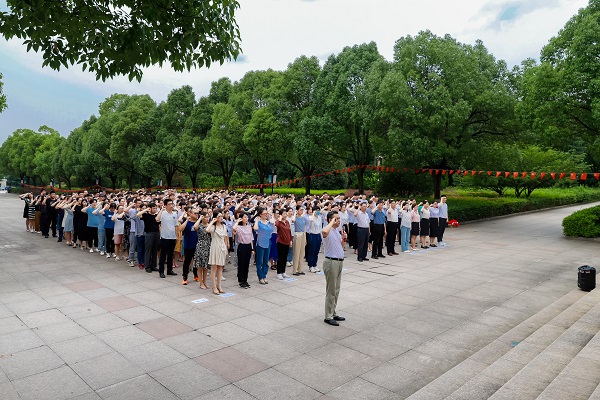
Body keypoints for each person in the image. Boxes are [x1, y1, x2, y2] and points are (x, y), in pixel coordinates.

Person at [321, 210, 346, 326]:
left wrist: (344, 238)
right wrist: (331, 222)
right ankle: (328, 316)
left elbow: (340, 246)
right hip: (331, 262)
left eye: (339, 218)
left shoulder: (336, 231)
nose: (339, 220)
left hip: (339, 261)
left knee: (336, 290)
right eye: (337, 218)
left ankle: (333, 312)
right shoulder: (327, 229)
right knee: (331, 291)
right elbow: (324, 232)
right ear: (330, 220)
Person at [207, 210, 228, 295]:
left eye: (221, 216)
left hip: (222, 247)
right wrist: (212, 221)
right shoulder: (213, 227)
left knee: (220, 267)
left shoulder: (224, 226)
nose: (221, 218)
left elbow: (225, 237)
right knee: (214, 267)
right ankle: (214, 286)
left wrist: (226, 248)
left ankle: (219, 285)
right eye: (219, 216)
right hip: (215, 247)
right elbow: (207, 230)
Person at [157, 198, 178, 278]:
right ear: (165, 205)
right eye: (169, 204)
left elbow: (176, 225)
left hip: (172, 237)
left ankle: (169, 270)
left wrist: (176, 236)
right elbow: (157, 219)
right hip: (164, 237)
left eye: (172, 204)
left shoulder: (174, 214)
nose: (171, 205)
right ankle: (161, 271)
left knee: (171, 254)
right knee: (163, 255)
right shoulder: (163, 213)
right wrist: (161, 210)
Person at [137, 202, 160, 274]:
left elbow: (159, 224)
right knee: (148, 250)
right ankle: (147, 266)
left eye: (156, 208)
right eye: (153, 208)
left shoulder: (156, 216)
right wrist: (146, 210)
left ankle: (153, 265)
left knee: (155, 250)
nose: (155, 209)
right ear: (150, 208)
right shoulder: (146, 215)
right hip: (149, 233)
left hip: (156, 233)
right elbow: (138, 215)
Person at [178, 207, 198, 285]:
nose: (196, 215)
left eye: (197, 213)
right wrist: (186, 220)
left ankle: (196, 275)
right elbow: (180, 229)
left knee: (196, 262)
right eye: (195, 213)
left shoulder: (198, 221)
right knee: (187, 262)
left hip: (197, 245)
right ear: (190, 214)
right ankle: (185, 277)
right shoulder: (187, 221)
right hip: (188, 245)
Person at [233, 212, 253, 288]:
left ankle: (245, 280)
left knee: (247, 264)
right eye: (244, 217)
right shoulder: (239, 227)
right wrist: (238, 221)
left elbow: (251, 238)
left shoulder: (249, 226)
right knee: (241, 264)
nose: (246, 218)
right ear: (241, 218)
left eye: (247, 217)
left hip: (248, 246)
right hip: (242, 246)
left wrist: (252, 248)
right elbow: (234, 228)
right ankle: (241, 281)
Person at [193, 211, 211, 289]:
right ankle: (201, 283)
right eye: (206, 217)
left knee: (206, 266)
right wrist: (200, 218)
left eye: (208, 217)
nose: (207, 218)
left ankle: (205, 281)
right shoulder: (199, 226)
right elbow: (194, 227)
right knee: (200, 266)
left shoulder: (210, 225)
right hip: (201, 245)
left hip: (208, 245)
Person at [253, 207, 272, 285]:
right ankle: (260, 277)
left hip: (268, 243)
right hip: (260, 243)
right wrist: (257, 220)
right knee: (259, 261)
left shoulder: (268, 222)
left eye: (267, 213)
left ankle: (264, 275)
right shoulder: (258, 223)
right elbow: (255, 228)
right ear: (260, 214)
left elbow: (271, 231)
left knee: (266, 261)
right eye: (264, 214)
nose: (266, 215)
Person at [275, 208, 292, 280]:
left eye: (286, 214)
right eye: (284, 214)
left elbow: (289, 232)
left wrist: (290, 241)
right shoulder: (278, 222)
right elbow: (277, 225)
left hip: (287, 242)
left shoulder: (287, 222)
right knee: (280, 257)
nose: (285, 215)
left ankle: (283, 272)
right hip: (281, 242)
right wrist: (279, 219)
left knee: (285, 257)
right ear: (281, 215)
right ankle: (279, 272)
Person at [291, 205, 307, 276]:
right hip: (297, 234)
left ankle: (300, 269)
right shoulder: (295, 217)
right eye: (300, 210)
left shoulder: (303, 218)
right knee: (296, 253)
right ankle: (295, 270)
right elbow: (293, 220)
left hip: (303, 234)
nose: (302, 211)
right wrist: (295, 213)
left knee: (301, 253)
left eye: (302, 210)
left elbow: (304, 228)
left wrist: (305, 238)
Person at [306, 208, 323, 273]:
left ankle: (315, 264)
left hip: (318, 235)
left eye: (318, 210)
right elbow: (311, 220)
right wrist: (313, 214)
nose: (317, 212)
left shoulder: (319, 218)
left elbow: (320, 227)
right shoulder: (310, 217)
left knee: (316, 251)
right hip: (312, 235)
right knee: (312, 251)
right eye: (316, 210)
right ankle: (311, 266)